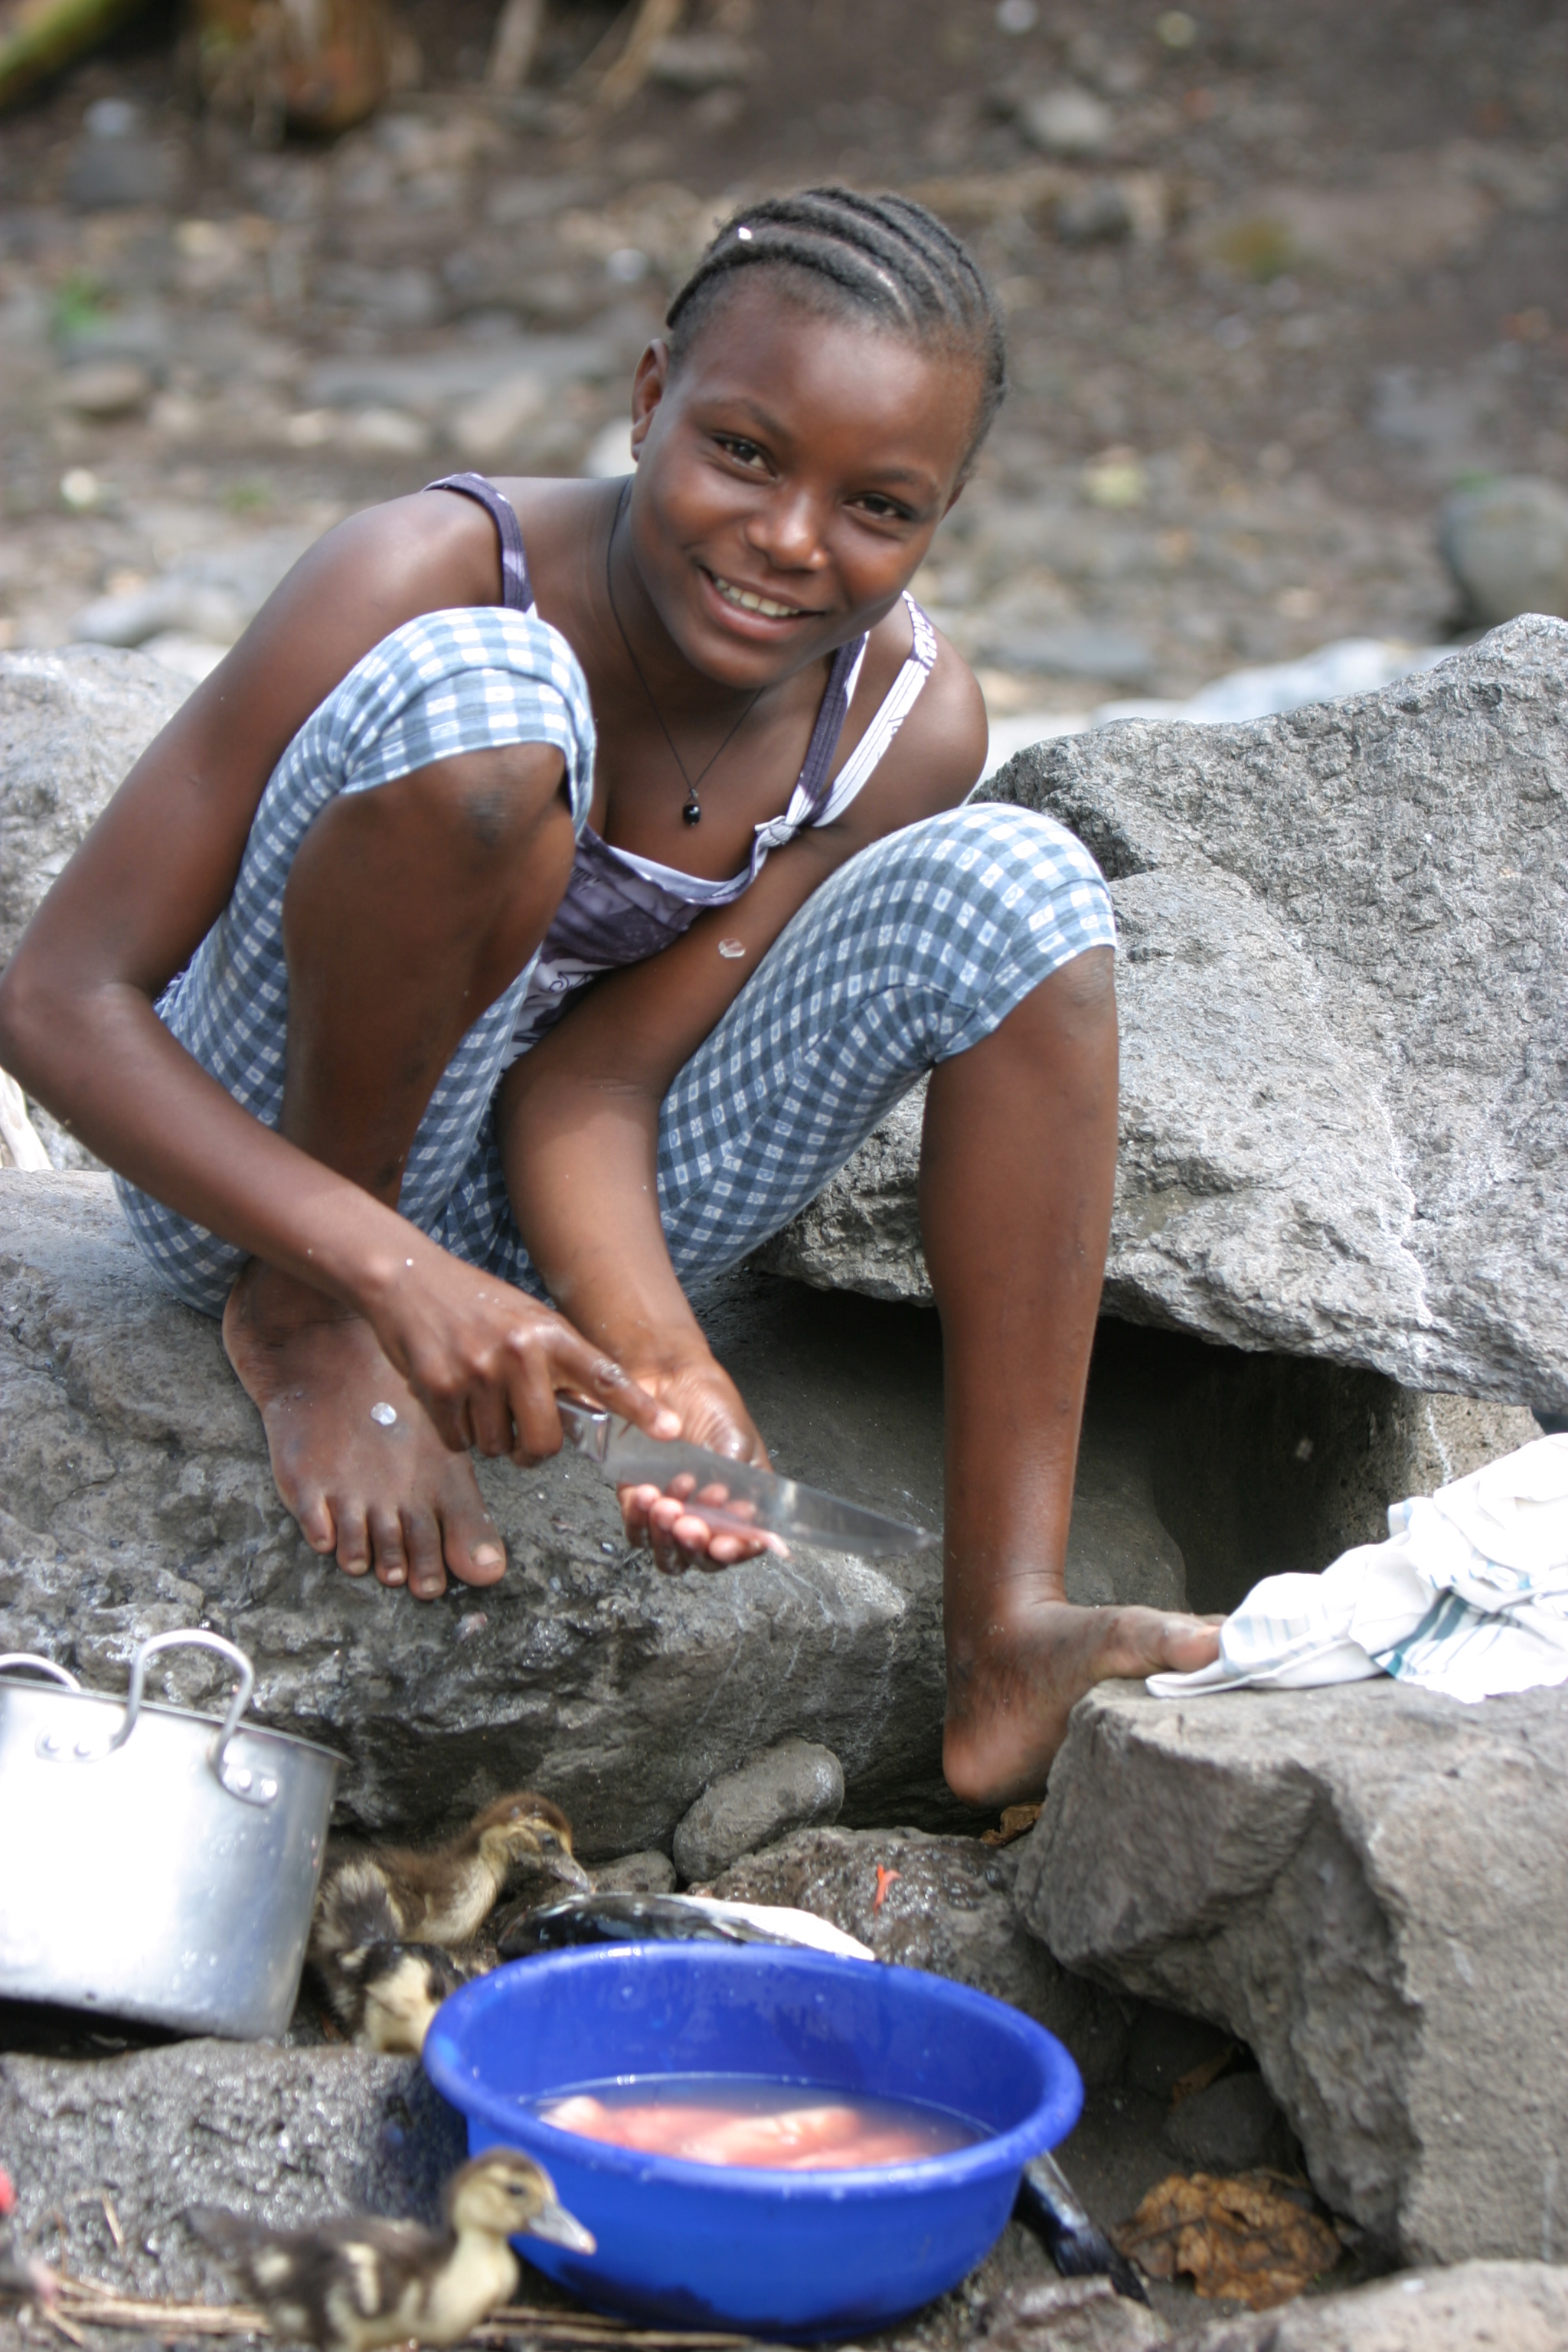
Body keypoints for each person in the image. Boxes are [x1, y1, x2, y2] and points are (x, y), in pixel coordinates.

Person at [0, 188, 1218, 1805]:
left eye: (879, 505)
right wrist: (381, 1273)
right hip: (283, 1175)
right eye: (743, 454)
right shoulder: (431, 565)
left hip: (561, 1206)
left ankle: (1007, 1631)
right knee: (491, 709)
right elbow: (59, 998)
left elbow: (589, 1088)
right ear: (650, 399)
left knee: (1029, 885)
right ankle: (306, 1326)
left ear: (944, 513)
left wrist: (665, 1368)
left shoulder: (897, 721)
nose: (792, 541)